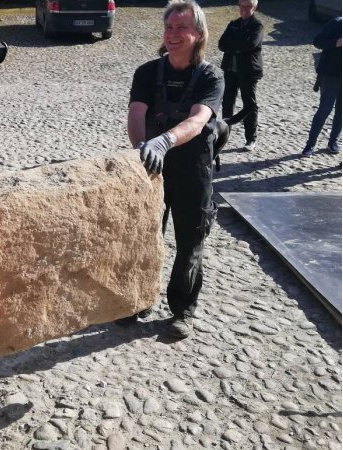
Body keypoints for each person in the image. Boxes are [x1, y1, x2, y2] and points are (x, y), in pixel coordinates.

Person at [126, 0, 224, 338]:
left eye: (182, 27)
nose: (173, 34)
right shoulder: (147, 72)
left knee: (190, 239)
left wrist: (165, 141)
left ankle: (182, 309)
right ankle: (139, 299)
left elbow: (198, 120)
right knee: (146, 236)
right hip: (151, 166)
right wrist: (142, 148)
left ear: (198, 34)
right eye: (169, 27)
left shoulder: (211, 76)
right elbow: (137, 114)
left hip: (192, 167)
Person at [218, 0, 263, 152]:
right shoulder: (233, 24)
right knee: (227, 102)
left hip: (249, 72)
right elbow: (221, 44)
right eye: (241, 6)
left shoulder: (257, 26)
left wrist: (234, 45)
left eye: (247, 6)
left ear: (254, 8)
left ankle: (251, 139)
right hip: (230, 70)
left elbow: (250, 45)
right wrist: (238, 46)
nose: (243, 9)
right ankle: (224, 133)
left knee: (249, 104)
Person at [302, 17, 341, 156]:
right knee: (324, 110)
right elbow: (317, 41)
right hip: (330, 75)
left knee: (341, 113)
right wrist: (337, 42)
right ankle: (310, 144)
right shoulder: (336, 23)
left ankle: (333, 142)